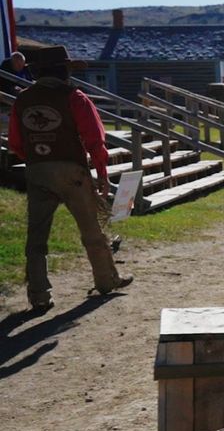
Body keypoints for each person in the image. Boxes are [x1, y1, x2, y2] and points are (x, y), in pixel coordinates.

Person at [6, 45, 133, 310]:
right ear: (62, 70)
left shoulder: (23, 100)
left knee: (37, 236)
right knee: (91, 230)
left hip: (38, 170)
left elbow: (16, 143)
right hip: (71, 170)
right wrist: (102, 175)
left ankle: (39, 294)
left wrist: (38, 158)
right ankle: (106, 280)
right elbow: (95, 141)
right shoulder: (74, 97)